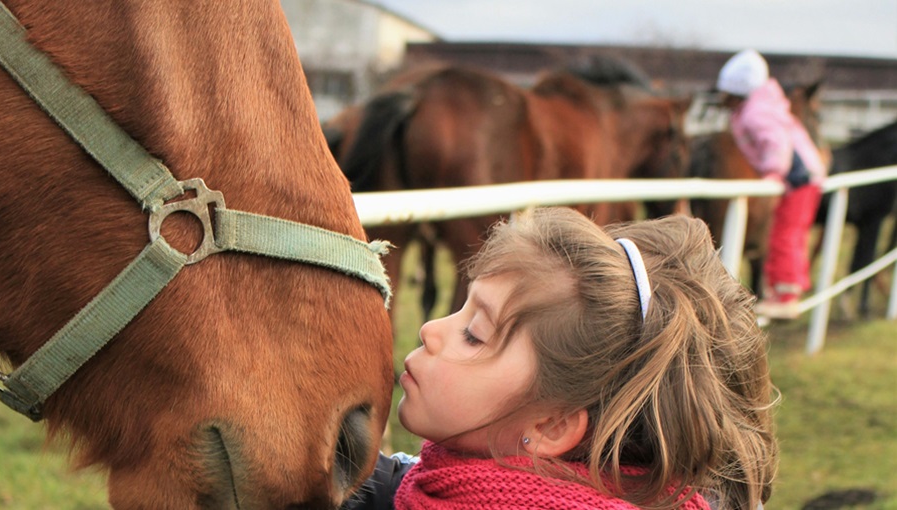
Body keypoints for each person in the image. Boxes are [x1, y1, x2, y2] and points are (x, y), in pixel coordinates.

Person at [344, 207, 778, 510]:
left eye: (474, 335)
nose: (431, 330)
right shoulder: (430, 483)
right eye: (463, 310)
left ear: (551, 426)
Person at [715, 49, 828, 319]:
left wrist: (773, 174)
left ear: (736, 92)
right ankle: (789, 289)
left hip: (798, 180)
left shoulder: (756, 113)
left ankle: (785, 298)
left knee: (784, 235)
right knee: (792, 234)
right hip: (805, 178)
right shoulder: (760, 106)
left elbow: (777, 145)